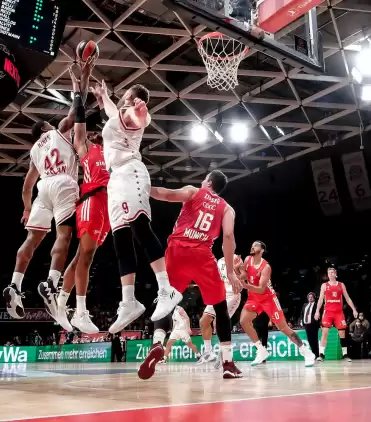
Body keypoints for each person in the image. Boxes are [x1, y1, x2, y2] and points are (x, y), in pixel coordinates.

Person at [3, 62, 93, 322]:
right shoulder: (58, 130)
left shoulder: (33, 152)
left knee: (32, 241)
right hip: (64, 182)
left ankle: (15, 285)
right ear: (45, 127)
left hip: (43, 188)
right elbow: (78, 109)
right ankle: (52, 282)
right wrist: (83, 81)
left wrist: (27, 207)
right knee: (64, 236)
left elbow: (26, 186)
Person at [90, 81, 180, 332]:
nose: (122, 99)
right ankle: (128, 301)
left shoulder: (134, 111)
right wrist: (103, 96)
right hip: (115, 180)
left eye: (126, 95)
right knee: (120, 240)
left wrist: (142, 111)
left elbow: (141, 118)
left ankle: (166, 289)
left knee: (140, 228)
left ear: (131, 97)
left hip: (131, 172)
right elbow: (111, 110)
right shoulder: (117, 115)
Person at [137, 171, 242, 379]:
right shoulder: (227, 208)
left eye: (204, 179)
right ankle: (228, 363)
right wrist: (230, 271)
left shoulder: (194, 192)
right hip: (203, 255)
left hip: (177, 251)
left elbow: (166, 195)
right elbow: (228, 236)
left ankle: (158, 342)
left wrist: (140, 189)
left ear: (209, 182)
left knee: (166, 301)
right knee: (220, 308)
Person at [56, 66, 109, 334]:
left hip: (108, 208)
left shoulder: (109, 148)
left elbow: (106, 125)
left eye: (93, 131)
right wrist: (78, 93)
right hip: (91, 201)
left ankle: (61, 303)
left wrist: (101, 101)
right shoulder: (84, 147)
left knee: (80, 258)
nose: (90, 133)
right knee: (86, 256)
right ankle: (80, 310)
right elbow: (80, 121)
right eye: (88, 132)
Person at [239, 241, 315, 367]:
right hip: (253, 298)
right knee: (243, 321)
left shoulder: (266, 267)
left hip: (268, 298)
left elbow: (261, 289)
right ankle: (261, 350)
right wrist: (237, 270)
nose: (253, 246)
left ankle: (307, 352)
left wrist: (245, 285)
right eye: (252, 245)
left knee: (283, 328)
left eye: (256, 245)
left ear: (262, 250)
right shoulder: (247, 259)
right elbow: (245, 275)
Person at [196, 254, 245, 365]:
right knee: (203, 321)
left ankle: (225, 355)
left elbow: (244, 277)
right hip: (218, 294)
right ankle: (209, 353)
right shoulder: (218, 261)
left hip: (232, 294)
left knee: (219, 321)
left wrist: (236, 269)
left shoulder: (237, 258)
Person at [314, 267, 358, 363]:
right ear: (327, 274)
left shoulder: (341, 285)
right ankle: (321, 355)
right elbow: (320, 299)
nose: (330, 274)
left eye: (332, 272)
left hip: (338, 312)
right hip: (328, 312)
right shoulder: (324, 285)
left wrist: (354, 309)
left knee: (342, 333)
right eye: (329, 272)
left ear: (335, 274)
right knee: (324, 333)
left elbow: (347, 298)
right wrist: (317, 311)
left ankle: (345, 355)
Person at [300, 292, 320, 358]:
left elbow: (319, 314)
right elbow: (302, 314)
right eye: (309, 297)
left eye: (311, 297)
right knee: (310, 339)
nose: (310, 298)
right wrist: (302, 322)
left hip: (313, 325)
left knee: (315, 339)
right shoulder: (305, 305)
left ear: (314, 298)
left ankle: (317, 354)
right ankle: (313, 353)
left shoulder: (317, 305)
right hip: (307, 325)